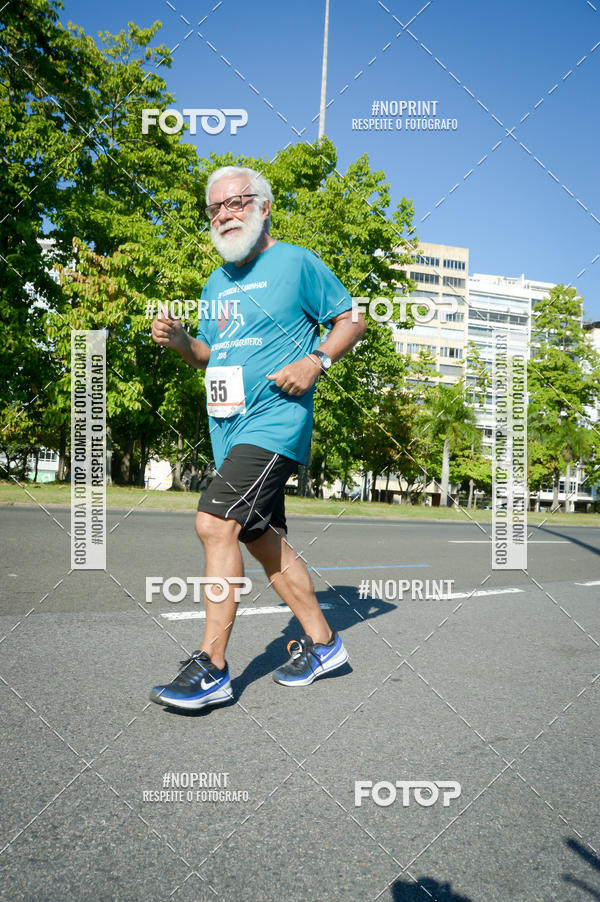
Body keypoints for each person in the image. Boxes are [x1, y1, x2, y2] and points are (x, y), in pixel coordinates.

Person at [149, 165, 366, 710]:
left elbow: (352, 320)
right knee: (259, 539)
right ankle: (324, 644)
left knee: (214, 521)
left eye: (237, 202)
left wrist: (316, 362)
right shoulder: (215, 283)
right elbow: (209, 357)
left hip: (275, 423)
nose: (225, 214)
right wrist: (181, 341)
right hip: (228, 430)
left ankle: (212, 668)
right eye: (215, 207)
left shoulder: (294, 262)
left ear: (264, 207)